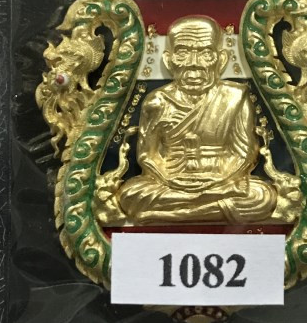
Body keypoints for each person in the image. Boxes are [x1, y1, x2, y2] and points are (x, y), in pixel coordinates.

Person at [118, 15, 277, 224]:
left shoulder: (235, 97)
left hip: (221, 179)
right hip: (171, 180)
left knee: (261, 195)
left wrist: (218, 180)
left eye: (205, 53)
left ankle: (169, 215)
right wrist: (169, 179)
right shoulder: (156, 101)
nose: (194, 63)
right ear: (168, 60)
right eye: (183, 53)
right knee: (130, 194)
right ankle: (205, 209)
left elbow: (245, 153)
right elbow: (147, 155)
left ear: (221, 59)